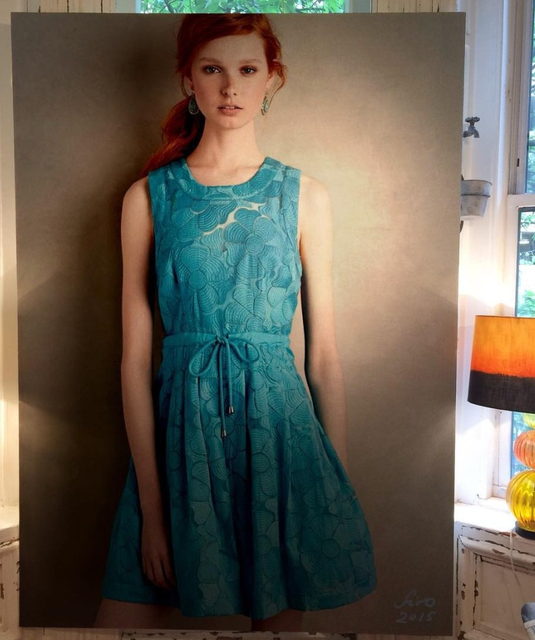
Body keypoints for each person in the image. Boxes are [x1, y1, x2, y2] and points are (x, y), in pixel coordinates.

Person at [95, 13, 376, 632]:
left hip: (281, 438)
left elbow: (324, 357)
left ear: (270, 80)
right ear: (188, 80)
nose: (230, 87)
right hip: (180, 438)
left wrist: (333, 489)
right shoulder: (148, 198)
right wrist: (153, 509)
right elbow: (134, 363)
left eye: (247, 69)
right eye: (212, 69)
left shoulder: (305, 195)